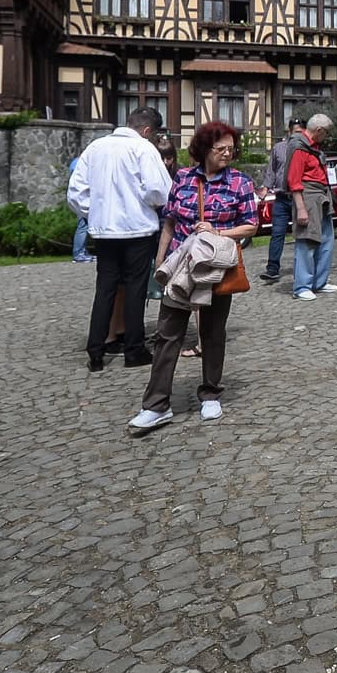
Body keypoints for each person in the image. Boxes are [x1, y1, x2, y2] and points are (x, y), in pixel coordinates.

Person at [129, 121, 260, 435]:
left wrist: (218, 232)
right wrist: (160, 259)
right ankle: (156, 405)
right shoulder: (184, 178)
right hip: (181, 267)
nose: (227, 153)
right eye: (220, 149)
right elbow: (170, 222)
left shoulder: (240, 182)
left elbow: (251, 225)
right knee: (167, 334)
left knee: (213, 333)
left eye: (231, 149)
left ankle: (211, 392)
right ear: (203, 149)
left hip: (216, 267)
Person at [67, 107, 172, 371]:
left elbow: (76, 193)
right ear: (147, 130)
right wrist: (146, 204)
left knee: (105, 288)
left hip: (105, 230)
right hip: (137, 229)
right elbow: (159, 190)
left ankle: (96, 350)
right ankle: (134, 350)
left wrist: (97, 211)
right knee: (136, 288)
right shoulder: (144, 149)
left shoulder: (95, 148)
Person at [287, 113, 337, 300]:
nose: (327, 137)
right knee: (307, 240)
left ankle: (319, 281)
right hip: (308, 197)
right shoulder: (299, 147)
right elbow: (294, 180)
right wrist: (301, 208)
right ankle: (302, 286)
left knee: (326, 241)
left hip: (321, 196)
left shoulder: (313, 147)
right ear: (319, 130)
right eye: (327, 133)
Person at [259, 117, 307, 283]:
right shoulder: (278, 148)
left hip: (299, 197)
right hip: (281, 197)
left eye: (300, 132)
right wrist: (265, 188)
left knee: (301, 234)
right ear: (289, 131)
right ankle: (272, 269)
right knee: (277, 234)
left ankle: (302, 268)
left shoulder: (306, 148)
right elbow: (271, 171)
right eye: (295, 132)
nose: (297, 135)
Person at [68, 155, 92, 262]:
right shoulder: (80, 163)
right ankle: (79, 253)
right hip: (82, 199)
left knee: (84, 225)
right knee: (83, 226)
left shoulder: (77, 162)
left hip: (80, 198)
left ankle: (82, 251)